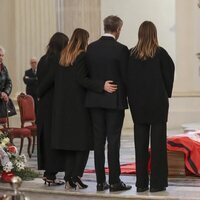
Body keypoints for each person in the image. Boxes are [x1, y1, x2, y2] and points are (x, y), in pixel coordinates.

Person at [38, 28, 117, 189]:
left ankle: (70, 178)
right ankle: (74, 176)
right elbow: (82, 80)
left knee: (69, 145)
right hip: (78, 107)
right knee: (84, 143)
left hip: (62, 108)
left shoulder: (62, 58)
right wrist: (100, 85)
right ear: (83, 41)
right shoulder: (81, 56)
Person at [85, 15, 132, 192]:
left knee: (98, 142)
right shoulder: (121, 49)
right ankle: (114, 181)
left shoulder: (91, 48)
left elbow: (87, 76)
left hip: (94, 101)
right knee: (113, 142)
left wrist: (99, 87)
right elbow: (126, 78)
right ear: (118, 29)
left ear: (105, 27)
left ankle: (99, 182)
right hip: (114, 102)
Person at [127, 21, 175, 193]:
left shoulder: (130, 54)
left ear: (140, 34)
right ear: (154, 34)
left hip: (138, 105)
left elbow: (127, 80)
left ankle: (141, 184)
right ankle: (157, 183)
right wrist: (165, 93)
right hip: (158, 104)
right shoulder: (161, 53)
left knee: (139, 145)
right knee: (158, 146)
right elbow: (169, 73)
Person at [36, 32, 69, 186]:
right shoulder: (57, 60)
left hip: (44, 105)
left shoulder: (43, 59)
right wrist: (39, 91)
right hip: (53, 105)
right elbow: (49, 81)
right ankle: (50, 174)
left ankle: (49, 173)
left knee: (46, 138)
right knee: (53, 139)